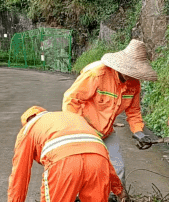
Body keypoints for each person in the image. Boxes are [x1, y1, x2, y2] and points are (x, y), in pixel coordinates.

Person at [62, 39, 159, 184]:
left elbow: (134, 111)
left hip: (106, 132)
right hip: (84, 130)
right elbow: (71, 99)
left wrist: (138, 131)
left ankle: (117, 200)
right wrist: (76, 129)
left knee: (117, 168)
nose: (131, 75)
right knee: (82, 169)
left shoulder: (134, 84)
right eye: (129, 71)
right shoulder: (96, 74)